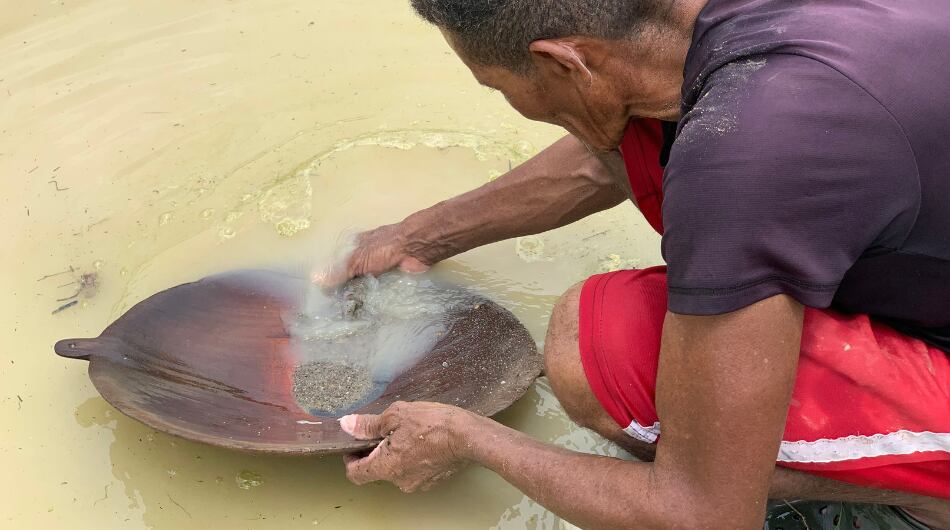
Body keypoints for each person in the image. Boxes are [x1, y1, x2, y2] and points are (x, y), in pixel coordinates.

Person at [333, 0, 950, 527]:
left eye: (497, 85)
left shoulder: (746, 161)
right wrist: (417, 237)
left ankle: (926, 503)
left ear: (563, 62)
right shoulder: (715, 43)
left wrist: (471, 439)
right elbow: (603, 153)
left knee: (605, 350)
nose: (509, 99)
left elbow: (705, 515)